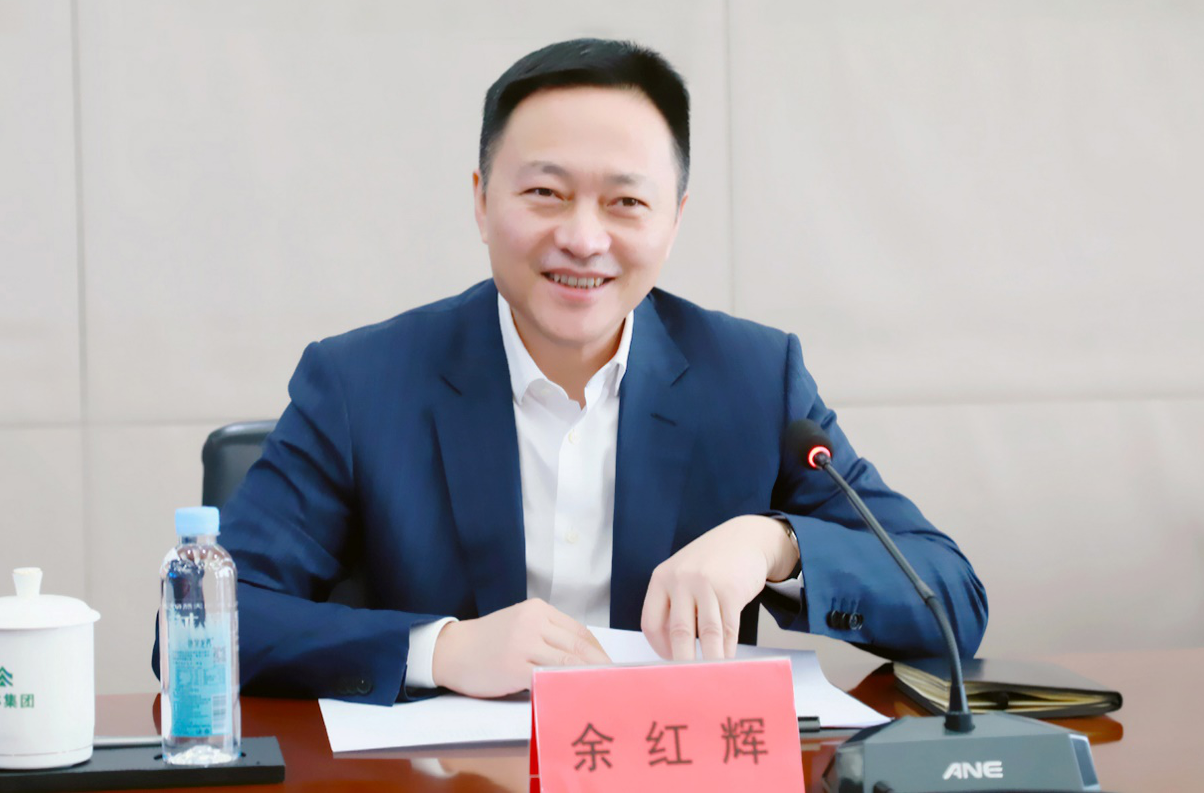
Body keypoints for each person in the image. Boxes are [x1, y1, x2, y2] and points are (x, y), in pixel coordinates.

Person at [155, 38, 987, 705]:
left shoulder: (752, 377)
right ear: (482, 201)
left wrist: (776, 544)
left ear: (674, 220)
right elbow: (200, 626)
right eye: (546, 194)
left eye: (626, 202)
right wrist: (443, 650)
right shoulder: (360, 383)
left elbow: (950, 596)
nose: (584, 239)